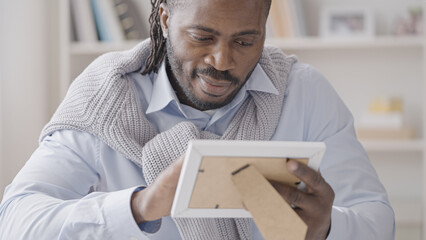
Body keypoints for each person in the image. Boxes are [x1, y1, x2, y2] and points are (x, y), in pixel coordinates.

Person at [0, 0, 394, 239]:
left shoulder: (305, 95)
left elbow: (377, 221)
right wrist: (140, 207)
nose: (222, 62)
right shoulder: (105, 100)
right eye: (202, 37)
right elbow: (16, 223)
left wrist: (326, 231)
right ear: (166, 19)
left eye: (244, 41)